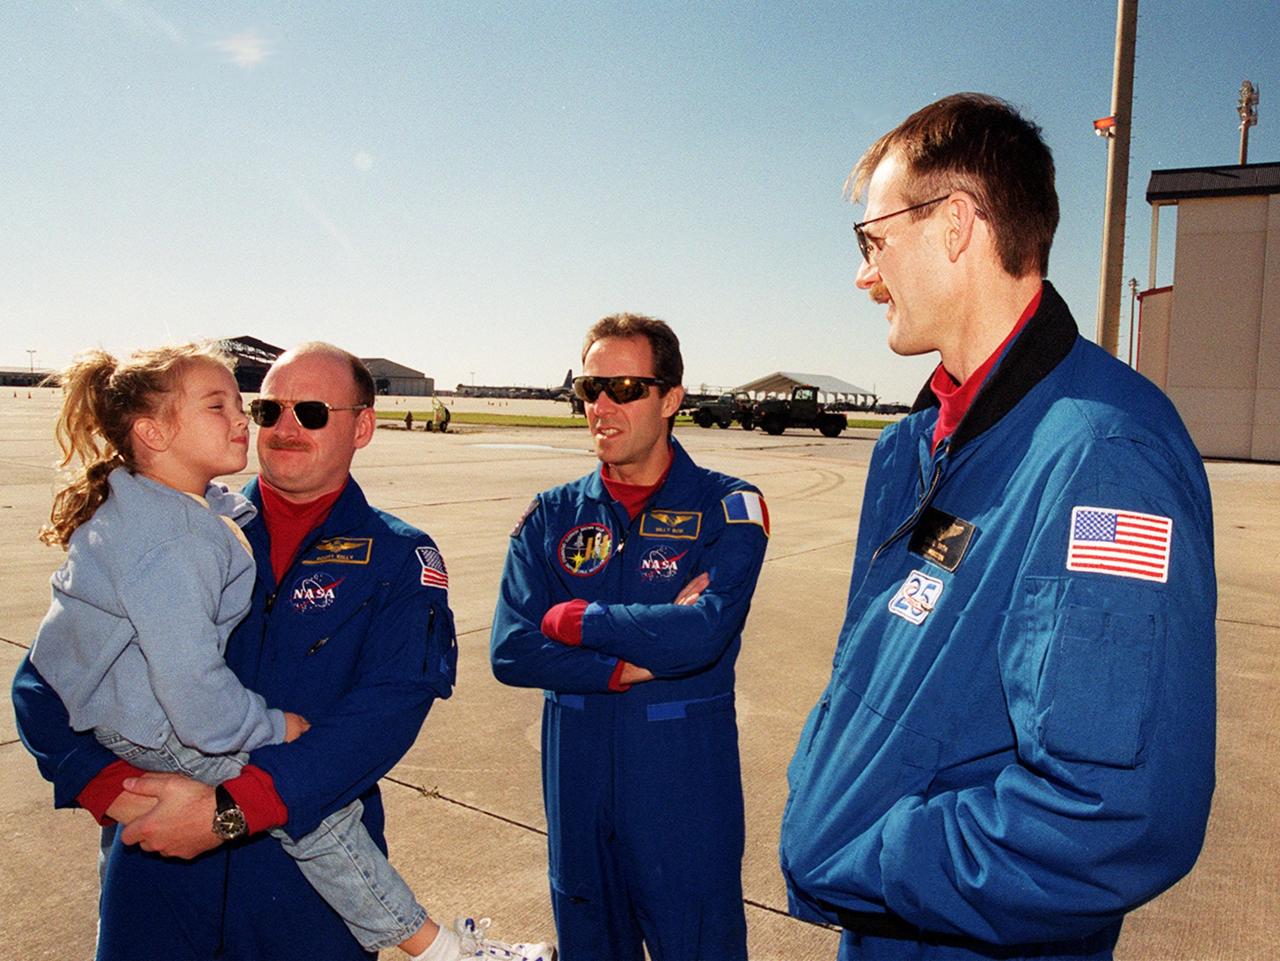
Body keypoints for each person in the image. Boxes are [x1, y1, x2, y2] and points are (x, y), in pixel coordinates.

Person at [778, 94, 1217, 961]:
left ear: (955, 224)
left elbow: (1113, 813)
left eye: (874, 242)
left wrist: (871, 854)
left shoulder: (1104, 457)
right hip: (884, 932)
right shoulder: (916, 446)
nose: (865, 277)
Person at [13, 342, 552, 961]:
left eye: (314, 413)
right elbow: (46, 674)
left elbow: (383, 716)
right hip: (157, 871)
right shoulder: (181, 522)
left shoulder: (399, 558)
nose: (282, 428)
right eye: (268, 410)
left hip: (301, 893)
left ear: (363, 427)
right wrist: (99, 781)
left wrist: (231, 811)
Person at [490, 313, 770, 961]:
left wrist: (572, 620)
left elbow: (701, 633)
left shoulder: (727, 505)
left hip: (683, 797)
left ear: (671, 399)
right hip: (577, 792)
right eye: (590, 389)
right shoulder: (551, 513)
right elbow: (511, 648)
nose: (603, 406)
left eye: (625, 388)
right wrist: (621, 666)